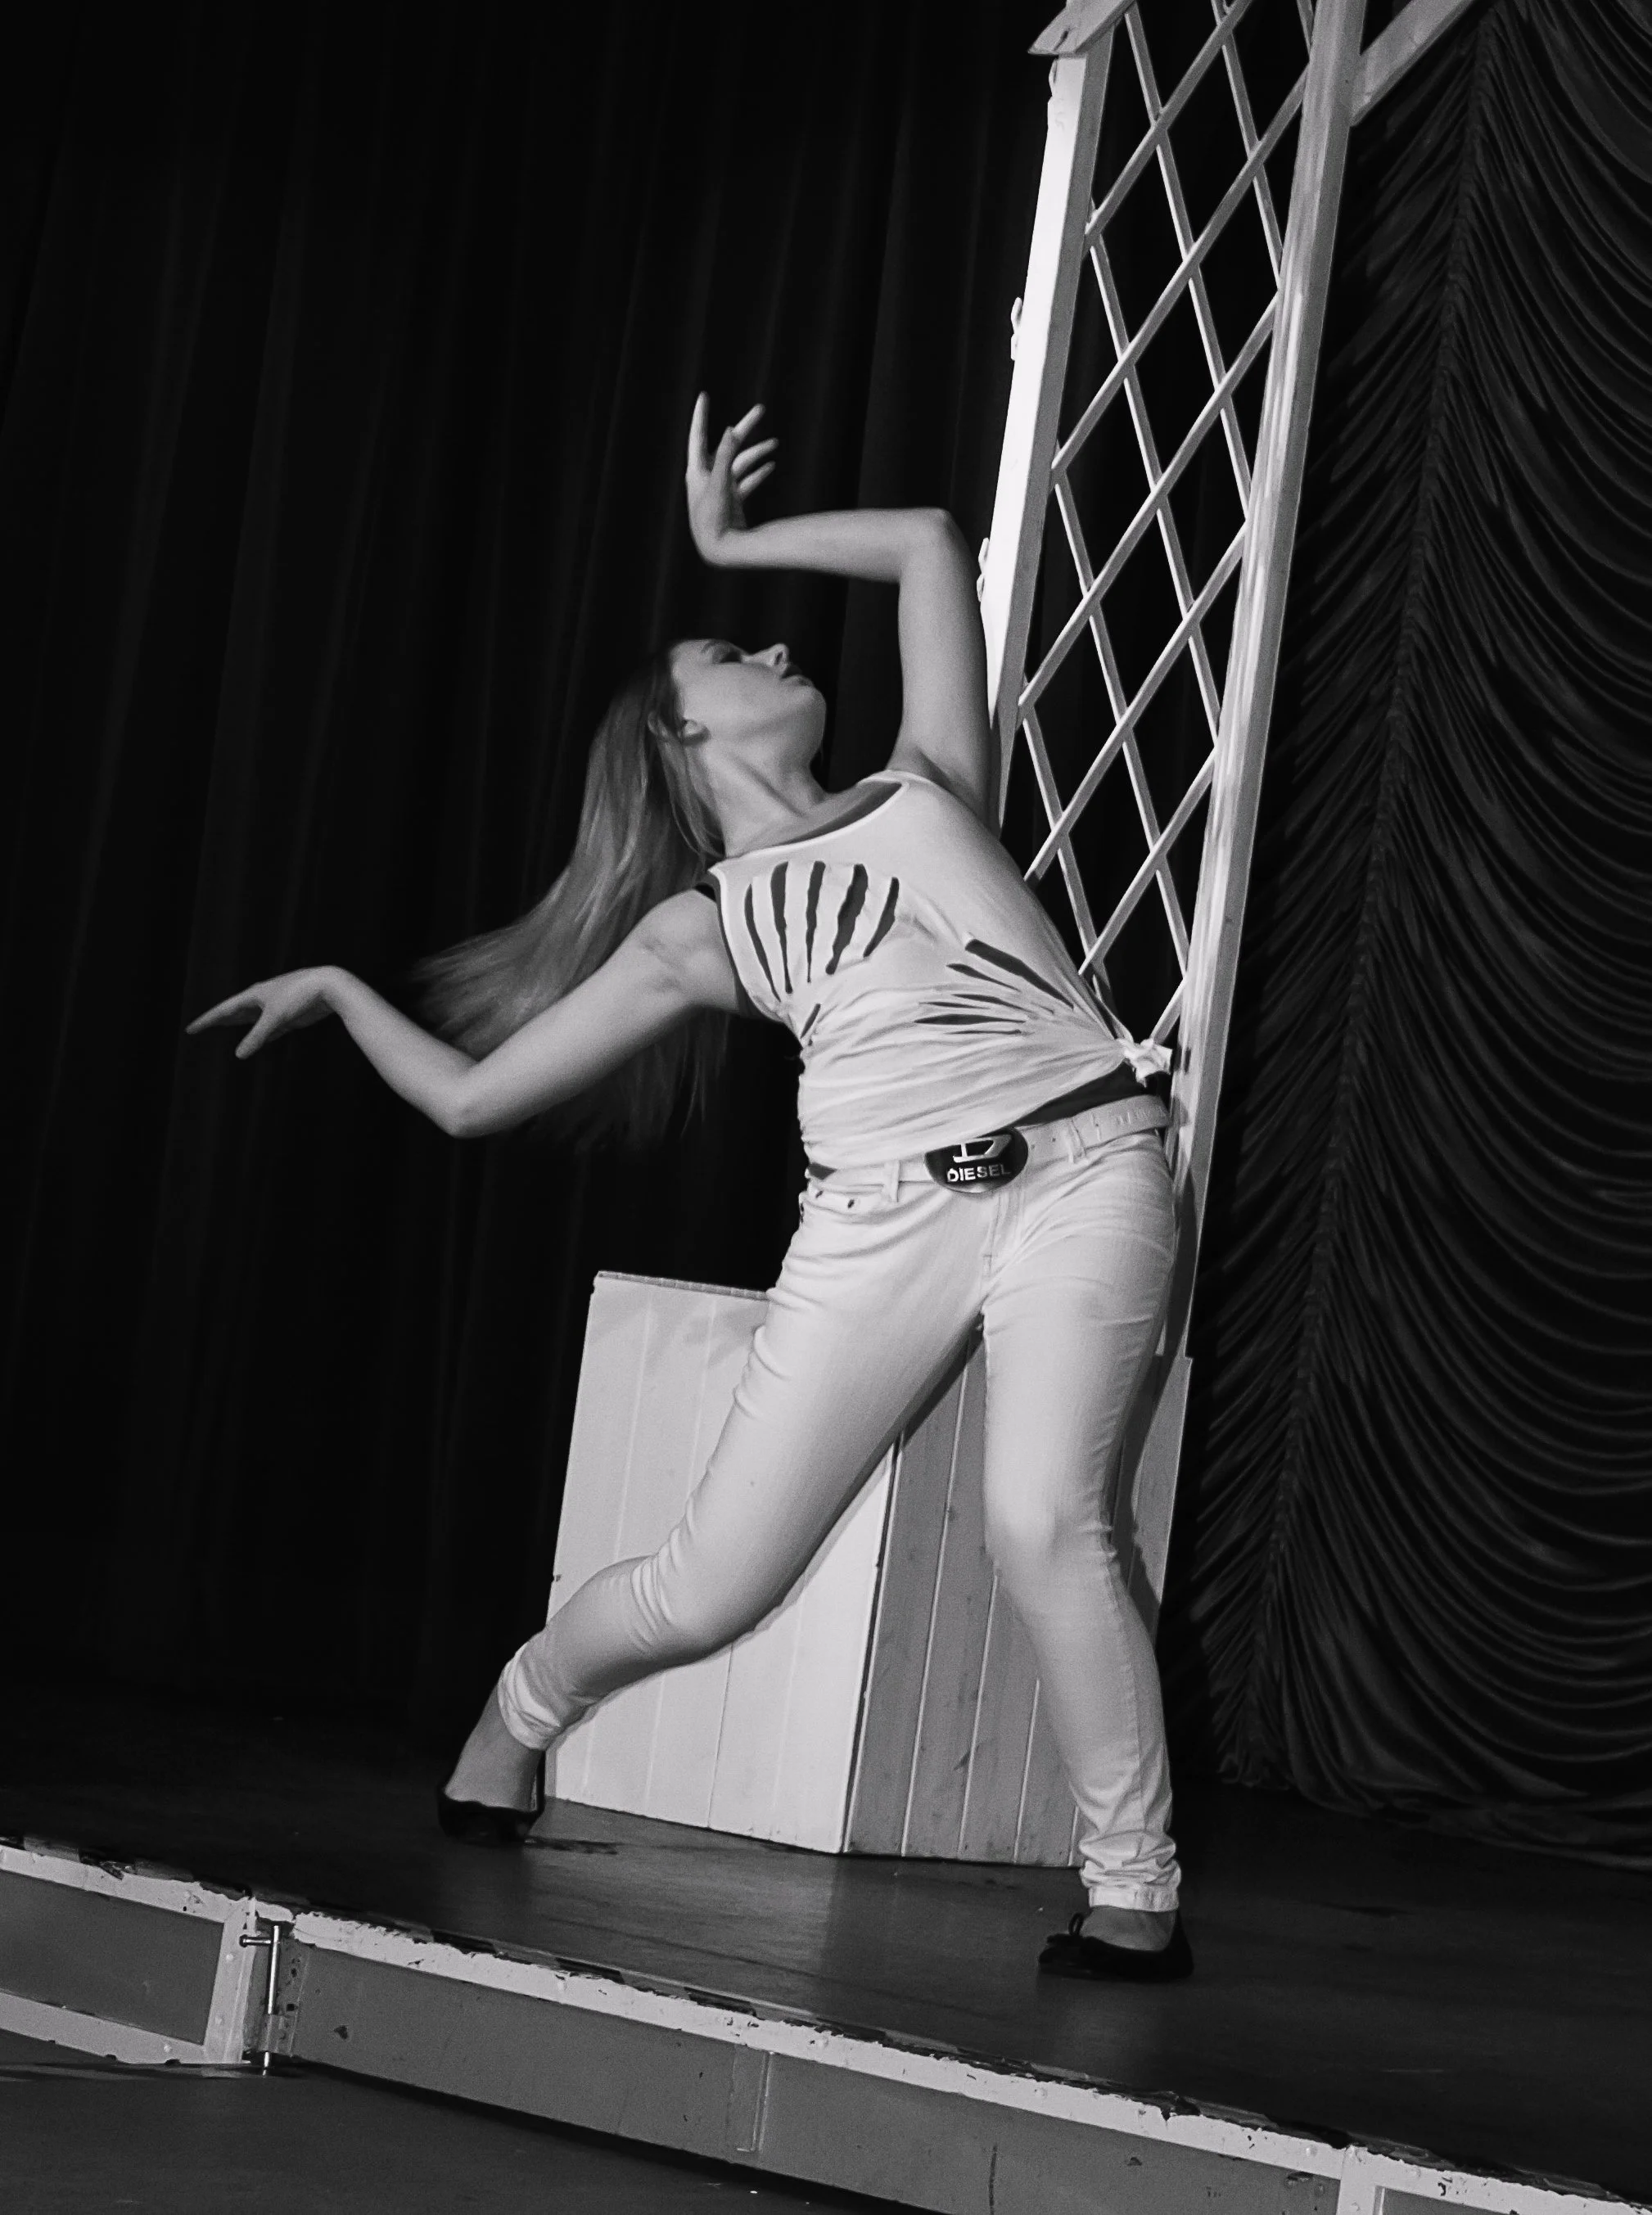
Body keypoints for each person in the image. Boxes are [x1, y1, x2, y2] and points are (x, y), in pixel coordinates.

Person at [190, 396, 1191, 1983]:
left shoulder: (930, 779)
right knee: (712, 1588)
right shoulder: (695, 929)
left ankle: (1132, 1891)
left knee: (1042, 1520)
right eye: (736, 647)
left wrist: (729, 534)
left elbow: (929, 544)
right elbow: (468, 1101)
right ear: (679, 730)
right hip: (877, 1221)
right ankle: (519, 1714)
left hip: (1090, 1168)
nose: (782, 655)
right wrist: (335, 986)